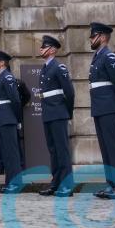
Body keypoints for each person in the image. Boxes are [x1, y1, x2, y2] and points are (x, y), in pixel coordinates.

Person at [88, 22, 115, 200]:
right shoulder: (97, 57)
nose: (91, 39)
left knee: (114, 148)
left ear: (103, 37)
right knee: (106, 149)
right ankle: (111, 183)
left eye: (93, 35)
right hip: (100, 107)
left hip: (110, 107)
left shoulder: (108, 56)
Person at [37, 35, 75, 198]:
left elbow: (70, 92)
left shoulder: (59, 68)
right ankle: (56, 182)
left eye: (44, 47)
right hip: (48, 113)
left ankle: (67, 185)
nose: (41, 49)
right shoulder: (45, 68)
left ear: (52, 50)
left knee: (62, 150)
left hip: (58, 113)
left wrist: (67, 113)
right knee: (53, 150)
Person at [0, 50, 22, 193]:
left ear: (2, 62)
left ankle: (15, 184)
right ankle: (9, 183)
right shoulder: (0, 78)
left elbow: (15, 100)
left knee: (12, 154)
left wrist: (17, 119)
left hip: (8, 119)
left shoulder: (7, 77)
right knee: (6, 153)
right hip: (2, 119)